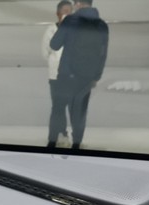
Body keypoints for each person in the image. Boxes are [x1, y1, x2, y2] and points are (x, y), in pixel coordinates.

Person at [49, 0, 109, 150]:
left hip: (66, 74)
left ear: (78, 4)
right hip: (87, 77)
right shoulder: (102, 25)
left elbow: (54, 44)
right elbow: (103, 54)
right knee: (80, 112)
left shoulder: (70, 21)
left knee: (58, 109)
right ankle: (77, 144)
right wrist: (96, 76)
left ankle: (52, 144)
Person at [41, 1, 73, 146]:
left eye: (70, 11)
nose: (68, 14)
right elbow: (45, 52)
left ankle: (65, 133)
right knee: (57, 107)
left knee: (70, 107)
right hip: (56, 76)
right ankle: (53, 138)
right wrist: (55, 62)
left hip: (72, 76)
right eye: (65, 11)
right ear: (58, 14)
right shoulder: (51, 30)